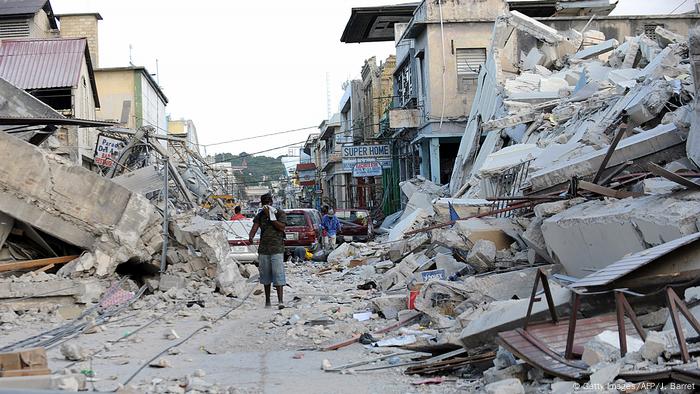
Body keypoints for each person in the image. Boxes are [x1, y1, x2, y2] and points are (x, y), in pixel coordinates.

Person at [248, 193, 287, 309]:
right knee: (265, 276)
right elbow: (254, 227)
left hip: (277, 248)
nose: (266, 204)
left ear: (271, 203)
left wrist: (270, 216)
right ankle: (268, 301)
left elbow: (281, 227)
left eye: (268, 202)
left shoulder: (279, 213)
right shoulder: (260, 216)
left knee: (278, 274)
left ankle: (280, 301)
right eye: (264, 202)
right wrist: (251, 236)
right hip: (264, 249)